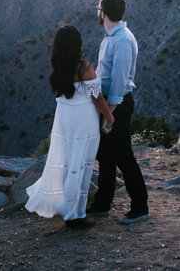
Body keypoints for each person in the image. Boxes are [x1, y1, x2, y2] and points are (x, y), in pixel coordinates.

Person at [25, 24, 115, 229]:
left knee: (68, 164)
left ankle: (71, 210)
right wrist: (110, 118)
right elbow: (98, 98)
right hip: (84, 121)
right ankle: (76, 214)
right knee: (82, 165)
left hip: (65, 120)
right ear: (77, 45)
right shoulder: (85, 68)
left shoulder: (59, 69)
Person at [87, 0, 149, 224]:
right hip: (108, 103)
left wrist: (108, 114)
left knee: (124, 156)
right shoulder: (111, 36)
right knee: (105, 156)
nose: (97, 12)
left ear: (104, 13)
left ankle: (140, 206)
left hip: (117, 105)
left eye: (98, 8)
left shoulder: (122, 40)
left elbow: (120, 83)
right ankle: (103, 203)